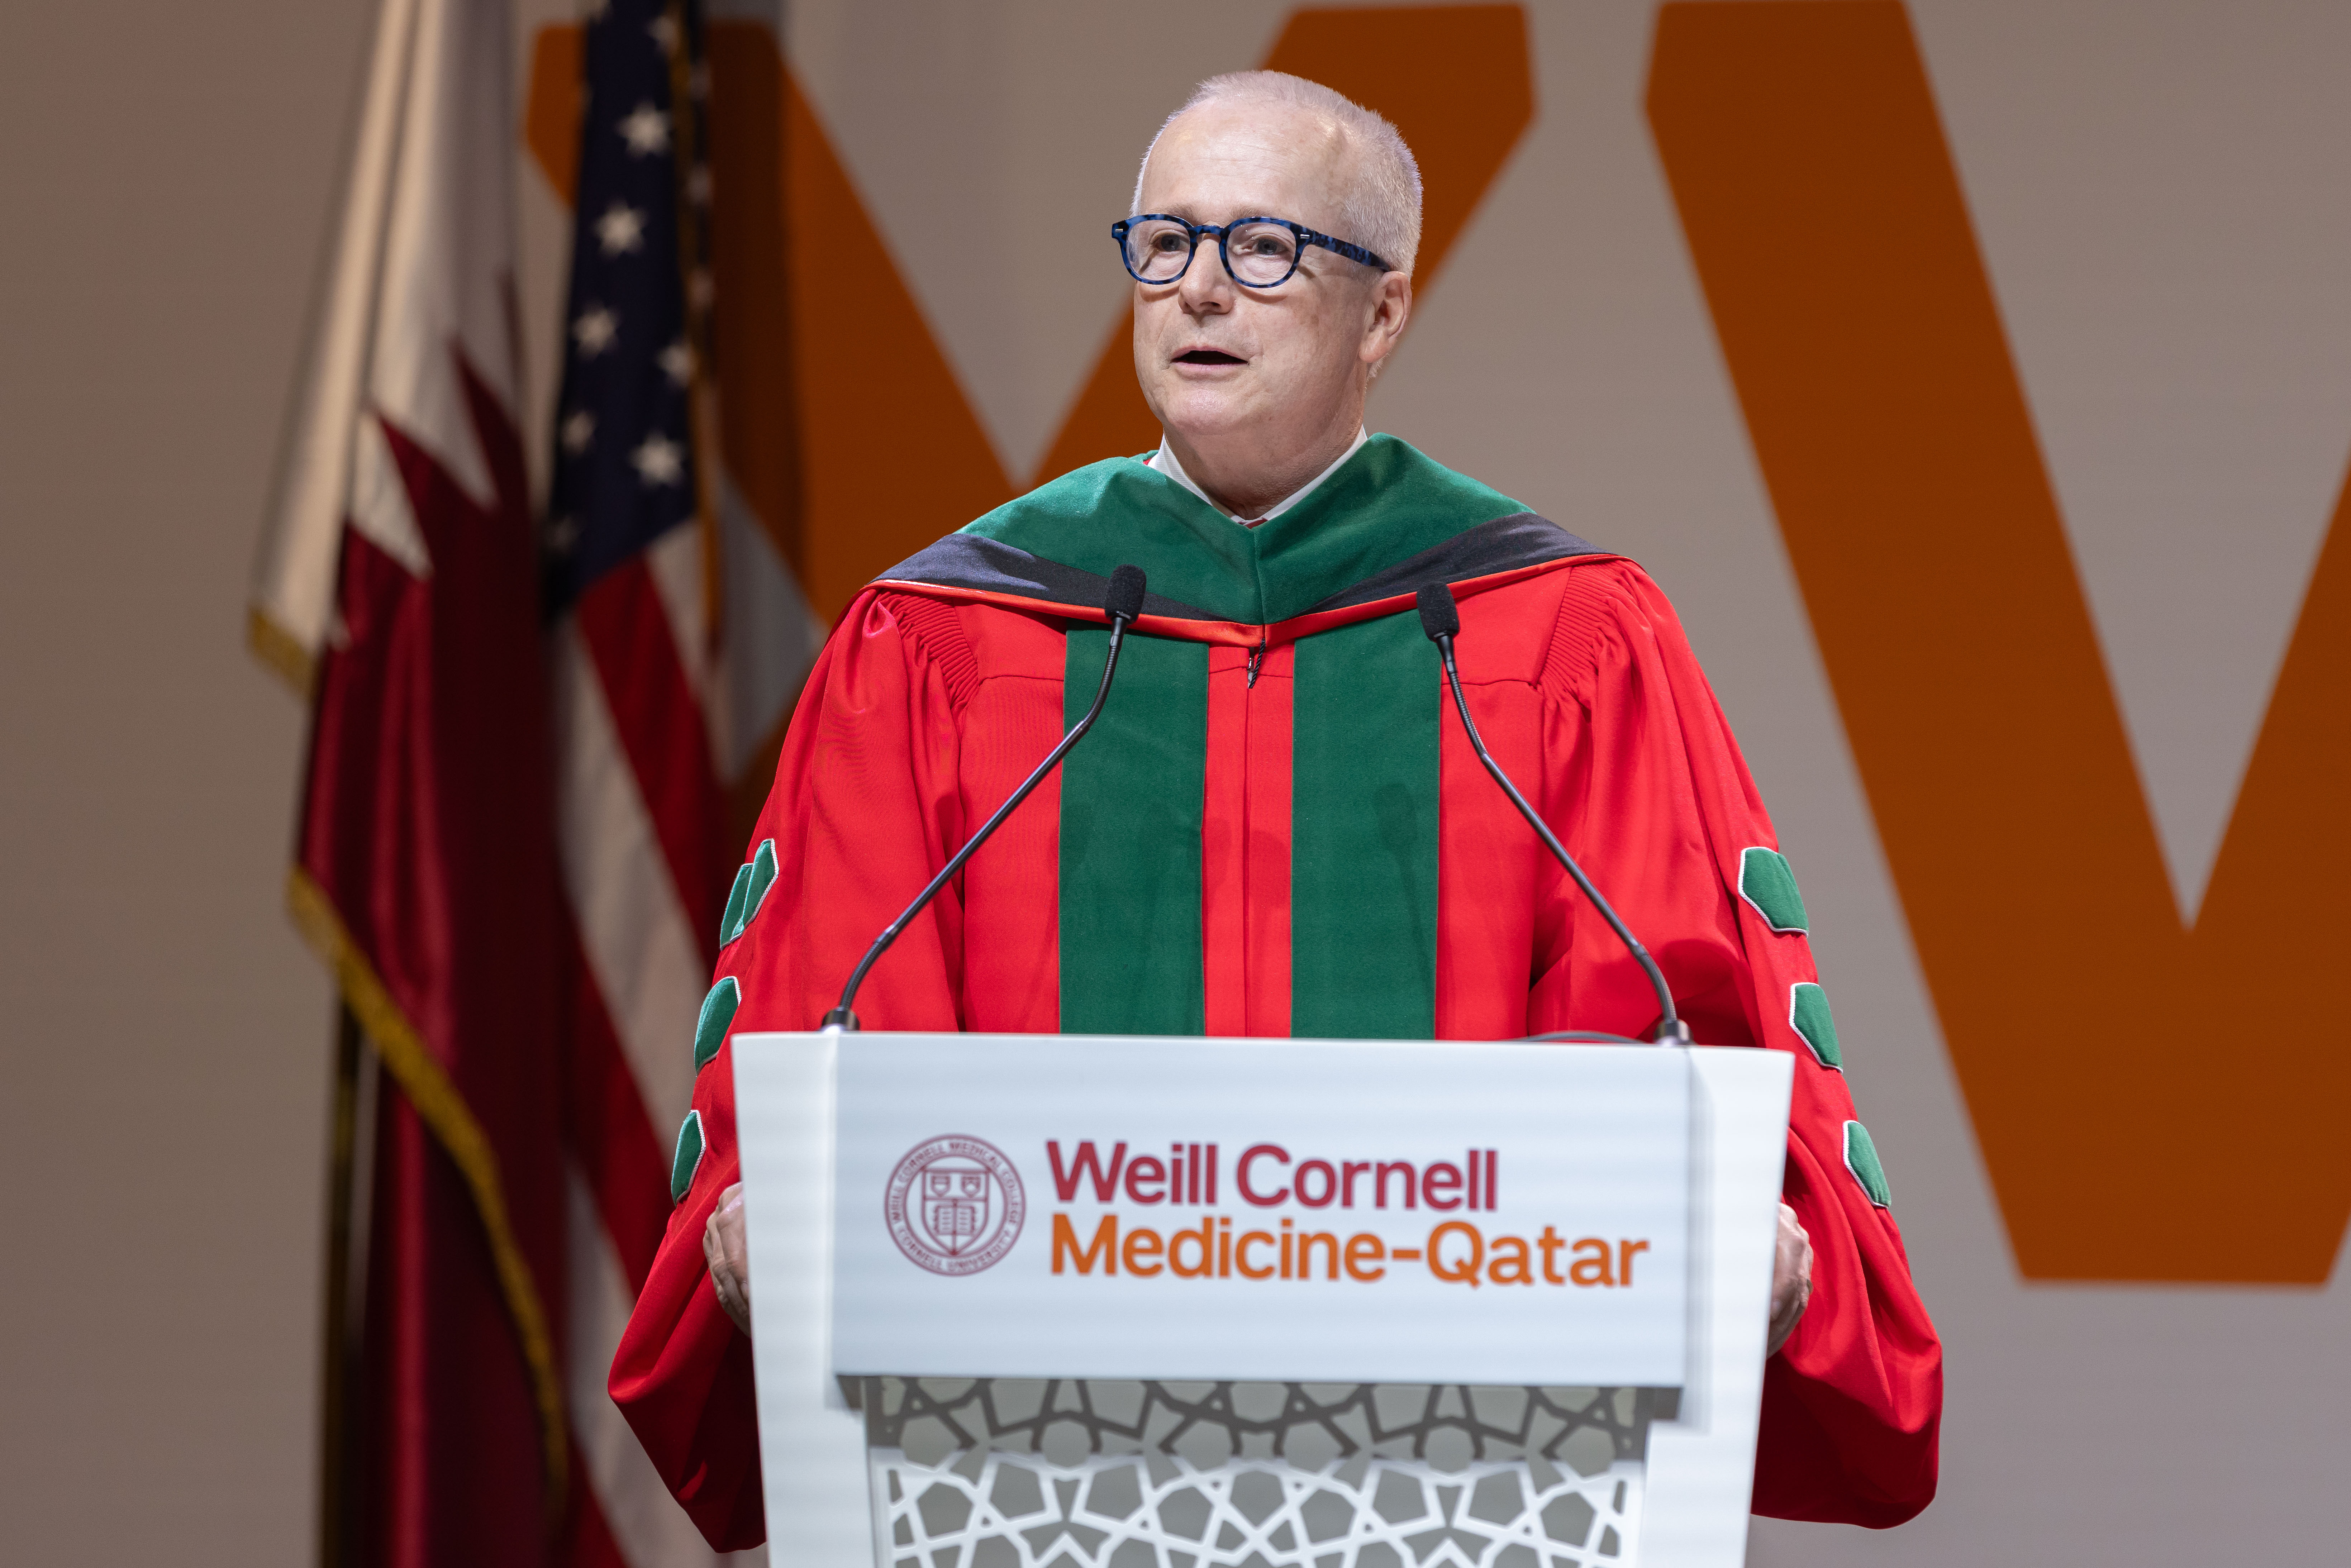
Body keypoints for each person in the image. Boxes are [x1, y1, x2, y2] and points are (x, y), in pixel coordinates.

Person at [612, 70, 1941, 1549]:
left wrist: (1739, 1227)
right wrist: (776, 1200)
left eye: (1262, 250)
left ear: (1381, 314)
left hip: (1463, 1488)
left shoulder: (1556, 631)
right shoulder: (943, 638)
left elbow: (1670, 1024)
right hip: (1033, 1490)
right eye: (1164, 244)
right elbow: (829, 1019)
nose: (1198, 291)